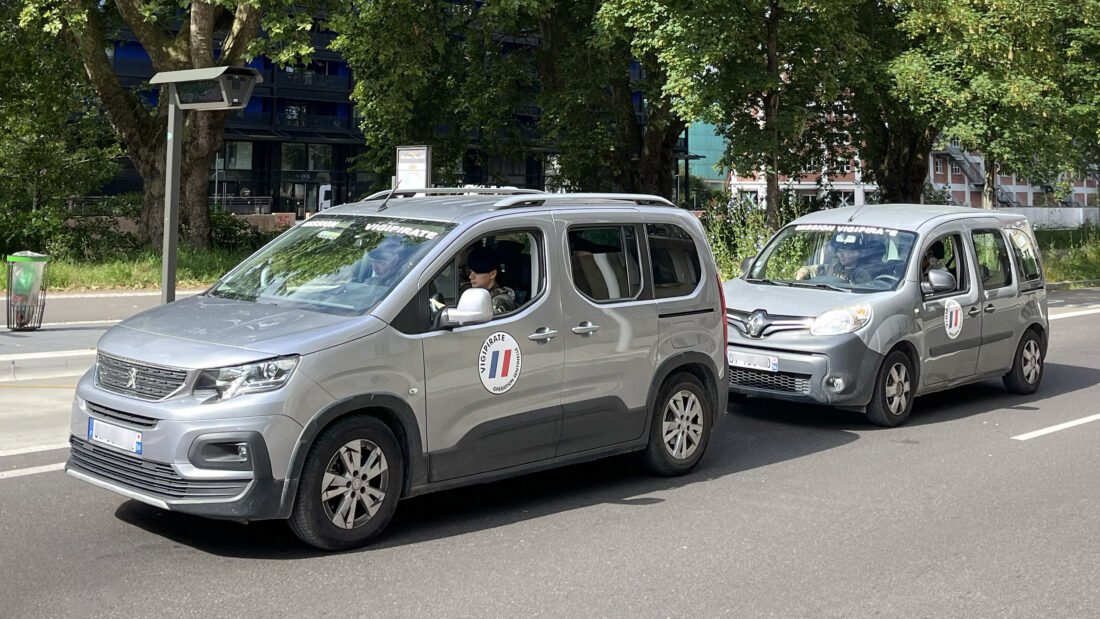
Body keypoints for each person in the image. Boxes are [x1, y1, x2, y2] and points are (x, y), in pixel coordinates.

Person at [795, 234, 876, 284]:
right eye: (839, 251)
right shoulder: (831, 269)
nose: (841, 255)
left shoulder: (865, 276)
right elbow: (806, 270)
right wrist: (799, 279)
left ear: (857, 253)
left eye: (845, 252)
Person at [466, 245, 517, 314]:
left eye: (477, 272)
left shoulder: (500, 301)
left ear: (492, 274)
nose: (471, 276)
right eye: (470, 271)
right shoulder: (480, 295)